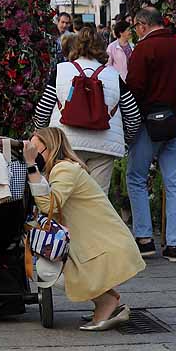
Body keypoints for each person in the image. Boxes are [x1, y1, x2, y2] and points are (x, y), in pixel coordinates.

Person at [24, 127, 145, 330]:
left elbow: (49, 205)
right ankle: (107, 300)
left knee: (47, 270)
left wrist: (29, 165)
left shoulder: (65, 169)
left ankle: (106, 303)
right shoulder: (61, 168)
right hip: (100, 242)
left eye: (36, 150)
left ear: (51, 148)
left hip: (104, 246)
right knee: (50, 267)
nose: (34, 156)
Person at [124, 7, 176, 264]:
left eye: (135, 27)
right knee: (175, 181)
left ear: (142, 25)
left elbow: (134, 88)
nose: (135, 32)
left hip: (149, 122)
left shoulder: (144, 50)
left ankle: (145, 239)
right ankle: (175, 245)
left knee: (136, 176)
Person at [32, 27, 141, 193]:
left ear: (75, 47)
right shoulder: (113, 76)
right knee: (97, 201)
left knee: (63, 197)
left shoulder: (61, 71)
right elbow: (133, 115)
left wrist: (44, 137)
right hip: (103, 147)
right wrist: (126, 140)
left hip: (65, 145)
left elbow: (42, 110)